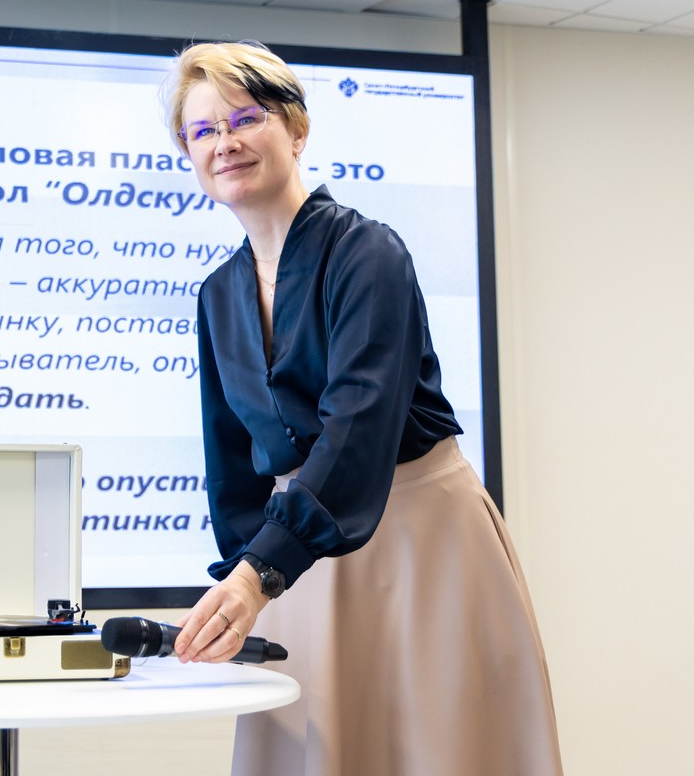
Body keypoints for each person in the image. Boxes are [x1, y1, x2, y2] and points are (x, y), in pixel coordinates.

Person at [162, 41, 563, 776]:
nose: (225, 143)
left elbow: (358, 427)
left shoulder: (367, 252)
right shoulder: (218, 294)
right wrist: (245, 572)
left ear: (296, 130)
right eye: (203, 130)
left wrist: (261, 571)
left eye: (246, 119)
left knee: (440, 748)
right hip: (293, 563)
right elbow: (232, 466)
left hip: (418, 542)